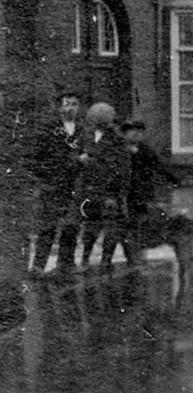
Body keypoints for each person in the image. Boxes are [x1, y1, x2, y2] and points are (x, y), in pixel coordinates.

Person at [113, 120, 180, 264]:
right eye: (132, 130)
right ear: (125, 133)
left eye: (140, 131)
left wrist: (174, 179)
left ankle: (138, 256)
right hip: (123, 195)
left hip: (143, 195)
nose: (137, 133)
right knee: (124, 227)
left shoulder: (146, 151)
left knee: (141, 225)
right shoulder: (118, 150)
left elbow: (159, 166)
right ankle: (130, 256)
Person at [30, 92, 83, 274]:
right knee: (48, 227)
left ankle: (65, 265)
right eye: (67, 104)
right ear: (60, 107)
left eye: (74, 104)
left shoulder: (82, 131)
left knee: (71, 227)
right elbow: (38, 158)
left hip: (74, 186)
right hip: (53, 185)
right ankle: (38, 267)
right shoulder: (48, 129)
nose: (70, 108)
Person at [75, 102, 130, 268]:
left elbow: (121, 168)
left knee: (111, 228)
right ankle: (85, 258)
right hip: (89, 190)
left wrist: (116, 193)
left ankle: (106, 260)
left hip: (108, 192)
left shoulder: (117, 140)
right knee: (90, 228)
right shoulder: (86, 136)